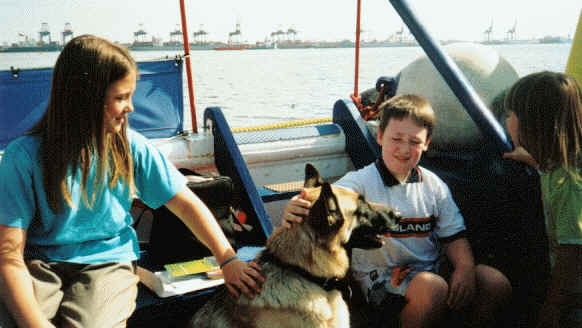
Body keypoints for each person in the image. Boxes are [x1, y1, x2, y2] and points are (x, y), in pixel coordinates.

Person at [0, 35, 263, 328]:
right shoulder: (21, 158)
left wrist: (227, 260)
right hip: (38, 263)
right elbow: (9, 254)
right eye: (120, 98)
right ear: (85, 99)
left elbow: (186, 205)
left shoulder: (130, 147)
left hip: (106, 261)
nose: (131, 108)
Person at [283, 94, 511, 328]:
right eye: (396, 139)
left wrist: (464, 268)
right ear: (380, 136)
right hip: (381, 279)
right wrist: (298, 205)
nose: (404, 149)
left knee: (493, 282)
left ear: (427, 143)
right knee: (433, 288)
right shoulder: (361, 182)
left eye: (414, 142)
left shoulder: (434, 187)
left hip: (429, 271)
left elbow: (454, 237)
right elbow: (325, 197)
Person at [502, 71, 582, 328]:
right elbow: (547, 169)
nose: (506, 121)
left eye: (509, 115)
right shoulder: (556, 168)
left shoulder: (568, 185)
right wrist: (529, 158)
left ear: (531, 124)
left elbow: (572, 254)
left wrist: (552, 308)